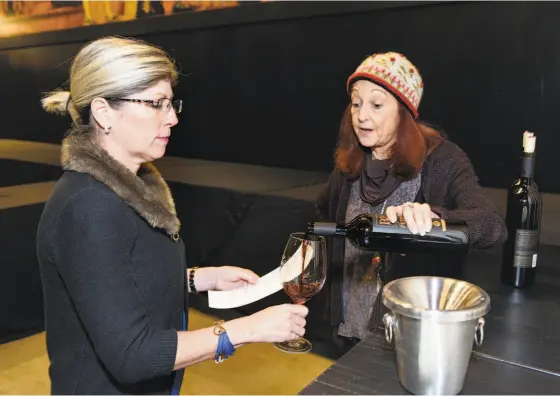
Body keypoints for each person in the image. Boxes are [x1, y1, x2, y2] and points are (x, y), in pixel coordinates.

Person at [36, 36, 308, 395]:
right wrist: (247, 330)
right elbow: (133, 355)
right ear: (103, 113)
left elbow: (117, 282)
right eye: (155, 104)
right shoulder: (89, 207)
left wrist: (198, 278)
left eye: (171, 102)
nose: (173, 118)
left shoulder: (128, 185)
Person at [314, 52, 507, 345]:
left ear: (404, 112)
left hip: (408, 339)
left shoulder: (441, 160)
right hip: (346, 331)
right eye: (356, 103)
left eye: (376, 104)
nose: (361, 115)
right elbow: (324, 211)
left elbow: (492, 226)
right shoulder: (350, 163)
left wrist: (436, 217)